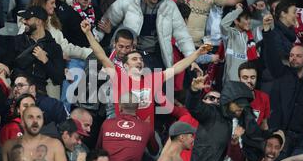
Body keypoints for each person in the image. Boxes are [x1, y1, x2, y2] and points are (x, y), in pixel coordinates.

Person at [81, 19, 209, 129]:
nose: (139, 61)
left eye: (140, 59)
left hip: (146, 134)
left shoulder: (152, 79)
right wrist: (88, 33)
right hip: (122, 129)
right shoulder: (118, 76)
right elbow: (101, 56)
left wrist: (196, 54)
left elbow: (176, 68)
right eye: (134, 59)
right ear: (125, 66)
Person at [104, 0, 196, 70]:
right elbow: (105, 22)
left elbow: (183, 35)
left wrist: (191, 59)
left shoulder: (170, 6)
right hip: (130, 55)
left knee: (163, 84)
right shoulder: (127, 1)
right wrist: (93, 42)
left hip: (157, 56)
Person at [262, 13, 303, 158]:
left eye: (298, 56)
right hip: (281, 134)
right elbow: (271, 56)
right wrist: (267, 31)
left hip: (302, 138)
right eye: (291, 55)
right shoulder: (281, 73)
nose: (293, 58)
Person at [2, 6, 65, 94]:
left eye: (27, 19)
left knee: (55, 107)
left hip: (39, 92)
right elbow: (5, 65)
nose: (24, 21)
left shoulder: (54, 47)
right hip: (18, 91)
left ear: (39, 21)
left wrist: (45, 60)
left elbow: (59, 79)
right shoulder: (16, 41)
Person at [221, 4, 260, 83]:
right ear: (236, 21)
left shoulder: (251, 35)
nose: (249, 21)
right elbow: (223, 24)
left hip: (248, 82)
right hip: (231, 82)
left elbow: (267, 27)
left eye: (249, 18)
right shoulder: (229, 34)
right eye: (246, 19)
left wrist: (263, 11)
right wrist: (238, 10)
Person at [238, 62, 270, 130]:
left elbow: (264, 124)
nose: (249, 81)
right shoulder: (230, 97)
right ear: (239, 79)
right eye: (245, 78)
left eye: (252, 77)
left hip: (253, 138)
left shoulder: (264, 97)